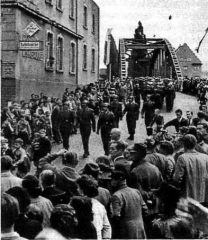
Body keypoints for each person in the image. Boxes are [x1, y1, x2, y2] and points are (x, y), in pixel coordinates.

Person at [110, 169, 148, 239]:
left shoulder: (116, 195)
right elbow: (145, 209)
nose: (111, 182)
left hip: (126, 231)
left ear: (116, 181)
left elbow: (116, 215)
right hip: (140, 227)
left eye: (111, 180)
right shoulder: (136, 191)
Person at [173, 134, 208, 203]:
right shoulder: (205, 157)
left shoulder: (182, 158)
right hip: (204, 196)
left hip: (188, 197)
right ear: (195, 144)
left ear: (184, 144)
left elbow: (177, 178)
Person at [76, 175, 112, 240]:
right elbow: (107, 227)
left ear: (82, 190)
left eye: (78, 187)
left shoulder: (77, 204)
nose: (77, 189)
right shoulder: (100, 206)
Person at [129, 143, 163, 210]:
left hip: (141, 207)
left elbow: (136, 193)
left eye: (132, 153)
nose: (130, 155)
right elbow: (161, 188)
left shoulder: (135, 171)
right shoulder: (155, 168)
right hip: (155, 206)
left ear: (137, 154)